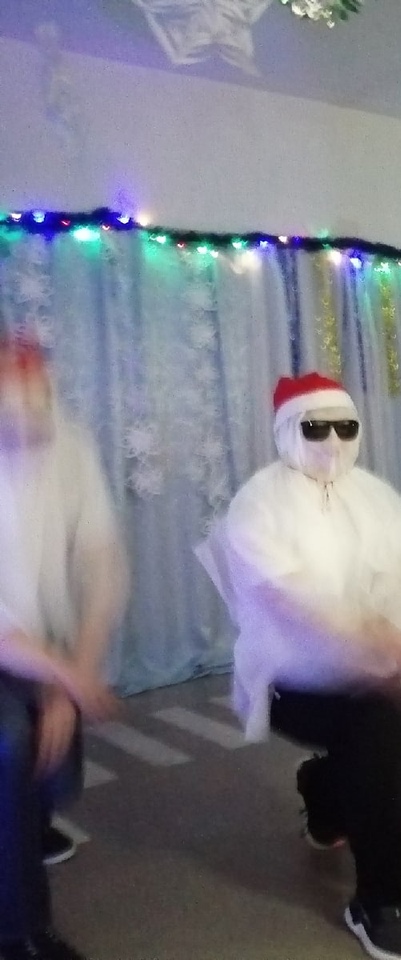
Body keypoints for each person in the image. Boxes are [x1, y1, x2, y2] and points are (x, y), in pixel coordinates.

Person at [197, 372, 401, 960]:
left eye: (345, 426)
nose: (333, 441)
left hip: (369, 668)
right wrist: (394, 650)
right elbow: (289, 599)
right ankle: (383, 899)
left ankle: (326, 795)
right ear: (286, 431)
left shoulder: (379, 500)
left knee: (378, 724)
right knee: (379, 723)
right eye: (315, 428)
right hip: (289, 676)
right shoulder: (258, 504)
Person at [0, 337, 127, 960]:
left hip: (37, 643)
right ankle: (18, 931)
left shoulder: (71, 446)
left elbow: (101, 559)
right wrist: (67, 680)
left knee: (50, 763)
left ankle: (23, 825)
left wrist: (74, 669)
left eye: (36, 397)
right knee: (10, 742)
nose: (26, 415)